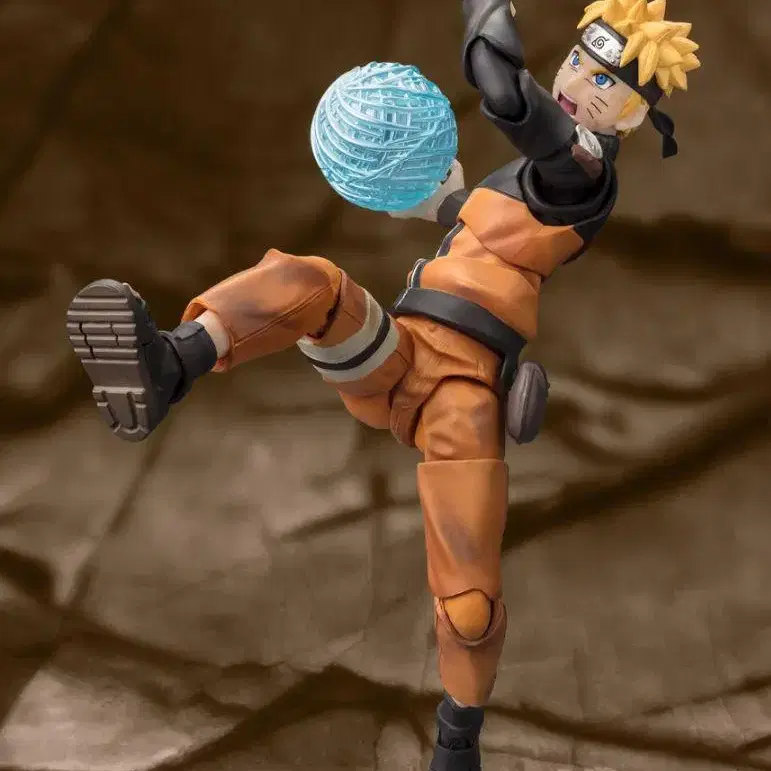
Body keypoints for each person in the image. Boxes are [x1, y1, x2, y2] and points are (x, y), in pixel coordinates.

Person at [65, 1, 699, 769]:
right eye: (577, 63)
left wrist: (484, 7)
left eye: (607, 83)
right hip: (397, 353)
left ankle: (456, 740)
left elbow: (499, 80)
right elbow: (483, 233)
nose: (578, 86)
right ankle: (171, 364)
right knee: (310, 283)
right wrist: (441, 200)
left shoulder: (581, 172)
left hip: (463, 391)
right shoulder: (535, 179)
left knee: (468, 599)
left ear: (632, 114)